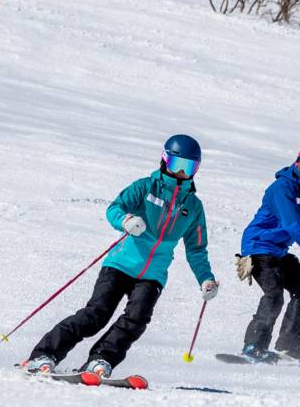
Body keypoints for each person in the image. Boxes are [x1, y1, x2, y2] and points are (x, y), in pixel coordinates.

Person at [23, 134, 219, 377]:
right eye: (175, 165)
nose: (180, 172)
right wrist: (126, 220)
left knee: (136, 320)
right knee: (96, 314)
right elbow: (114, 209)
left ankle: (100, 360)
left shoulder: (193, 207)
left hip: (153, 274)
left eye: (188, 167)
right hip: (120, 264)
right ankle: (44, 353)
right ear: (164, 161)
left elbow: (196, 249)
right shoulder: (145, 187)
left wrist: (206, 279)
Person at [235, 145, 300, 362]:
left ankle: (290, 345)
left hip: (278, 251)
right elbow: (293, 225)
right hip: (258, 247)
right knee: (274, 294)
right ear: (296, 164)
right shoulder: (282, 188)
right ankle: (253, 347)